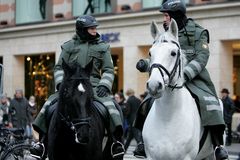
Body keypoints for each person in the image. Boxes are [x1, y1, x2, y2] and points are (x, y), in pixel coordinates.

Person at [134, 0, 229, 159]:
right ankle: (143, 143)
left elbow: (202, 57)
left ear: (176, 16)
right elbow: (161, 57)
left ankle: (218, 145)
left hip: (195, 79)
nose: (164, 19)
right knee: (146, 103)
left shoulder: (199, 32)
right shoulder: (163, 36)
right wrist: (146, 64)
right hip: (168, 79)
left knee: (212, 103)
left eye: (166, 16)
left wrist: (185, 74)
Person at [31, 15, 125, 159]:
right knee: (49, 105)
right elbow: (58, 67)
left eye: (95, 28)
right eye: (91, 28)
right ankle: (42, 143)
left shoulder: (103, 46)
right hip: (69, 85)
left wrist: (105, 85)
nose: (95, 31)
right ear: (82, 30)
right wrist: (62, 84)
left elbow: (108, 69)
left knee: (112, 108)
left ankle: (116, 143)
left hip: (94, 86)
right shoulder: (68, 46)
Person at [124, 89, 143, 154]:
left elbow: (128, 111)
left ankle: (141, 148)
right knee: (130, 137)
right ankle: (124, 149)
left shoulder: (129, 100)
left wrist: (125, 117)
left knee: (136, 136)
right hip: (137, 119)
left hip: (131, 120)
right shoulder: (138, 100)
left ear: (128, 93)